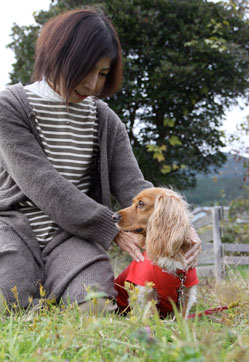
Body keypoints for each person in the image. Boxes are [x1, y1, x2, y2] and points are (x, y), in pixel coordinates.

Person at [0, 7, 201, 314]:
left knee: (95, 308)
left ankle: (60, 291)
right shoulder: (9, 107)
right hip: (13, 229)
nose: (94, 85)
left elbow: (134, 184)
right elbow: (43, 184)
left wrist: (181, 226)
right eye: (86, 70)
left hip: (73, 236)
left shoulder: (106, 120)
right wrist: (110, 227)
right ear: (58, 57)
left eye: (104, 73)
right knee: (12, 302)